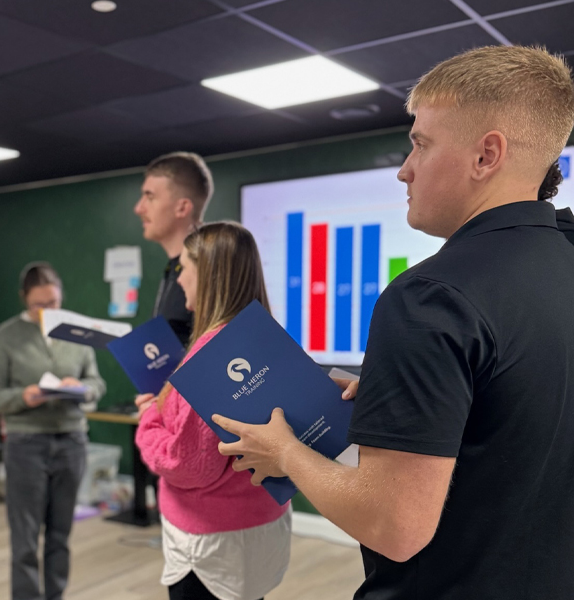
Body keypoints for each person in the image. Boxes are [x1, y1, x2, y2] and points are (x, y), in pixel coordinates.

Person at [213, 45, 574, 599]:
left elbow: (394, 527)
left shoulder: (429, 298)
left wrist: (285, 453)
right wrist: (424, 403)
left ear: (486, 155)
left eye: (421, 144)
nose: (405, 169)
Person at [135, 222, 292, 600]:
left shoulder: (210, 354)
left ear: (206, 275)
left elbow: (187, 463)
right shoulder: (266, 336)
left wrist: (150, 418)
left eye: (184, 267)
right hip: (262, 524)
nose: (179, 279)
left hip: (211, 544)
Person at [0, 262, 106, 600]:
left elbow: (97, 382)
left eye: (53, 303)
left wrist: (81, 389)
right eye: (39, 305)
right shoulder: (5, 337)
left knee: (60, 535)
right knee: (25, 539)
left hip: (71, 441)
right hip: (26, 443)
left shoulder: (76, 333)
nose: (47, 311)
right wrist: (24, 396)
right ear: (24, 299)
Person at [134, 151, 214, 346]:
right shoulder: (173, 269)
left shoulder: (211, 271)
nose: (139, 208)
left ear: (182, 208)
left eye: (150, 197)